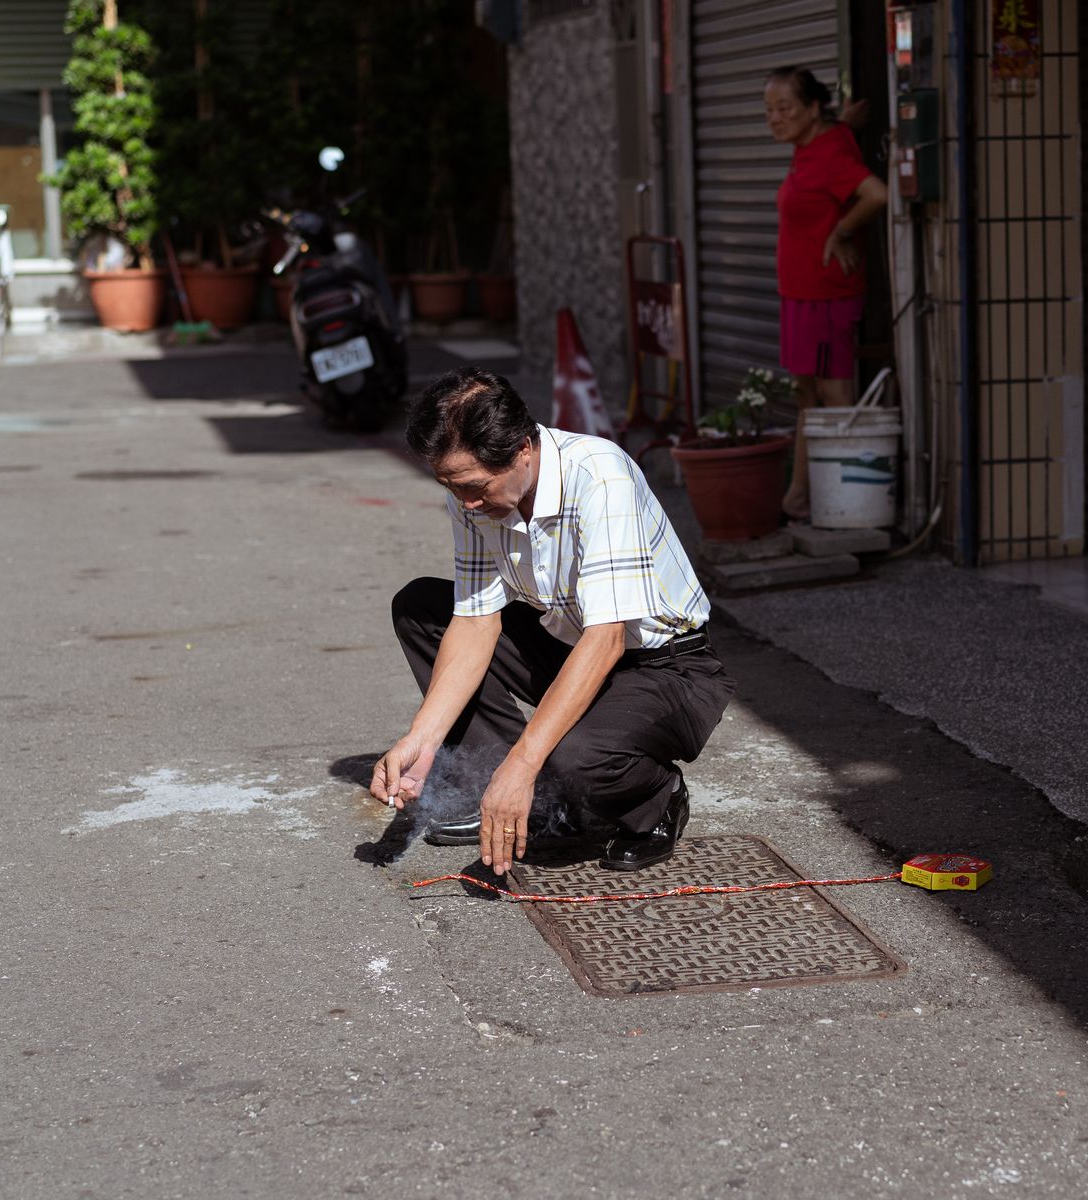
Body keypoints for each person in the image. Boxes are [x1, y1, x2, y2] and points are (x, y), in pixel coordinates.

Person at [372, 368, 736, 876]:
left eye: (474, 487)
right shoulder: (473, 494)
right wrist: (422, 739)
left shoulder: (599, 475)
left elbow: (606, 638)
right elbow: (476, 621)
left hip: (666, 668)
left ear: (523, 449)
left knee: (576, 758)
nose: (466, 503)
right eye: (451, 486)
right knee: (422, 607)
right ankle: (509, 794)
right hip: (569, 643)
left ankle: (655, 800)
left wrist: (526, 761)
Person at [766, 66, 890, 523]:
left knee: (833, 392)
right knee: (807, 394)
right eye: (769, 110)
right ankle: (802, 495)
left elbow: (877, 194)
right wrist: (845, 125)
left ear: (813, 108)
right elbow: (837, 140)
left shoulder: (828, 154)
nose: (775, 118)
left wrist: (841, 231)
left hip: (824, 293)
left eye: (785, 109)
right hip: (800, 293)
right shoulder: (814, 145)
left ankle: (852, 501)